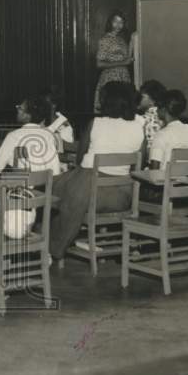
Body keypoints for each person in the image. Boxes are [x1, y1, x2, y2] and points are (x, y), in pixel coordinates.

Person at [50, 81, 145, 260]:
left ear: (107, 101)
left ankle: (47, 242)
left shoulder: (96, 123)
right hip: (121, 197)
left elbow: (80, 159)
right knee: (69, 191)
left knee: (50, 190)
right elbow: (140, 163)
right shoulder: (139, 128)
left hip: (88, 190)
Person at [0, 95, 63, 178]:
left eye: (20, 108)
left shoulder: (14, 136)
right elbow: (55, 169)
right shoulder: (49, 136)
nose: (17, 110)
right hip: (45, 187)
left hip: (21, 189)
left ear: (28, 115)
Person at [149, 90, 188, 170]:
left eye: (158, 107)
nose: (156, 110)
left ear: (163, 110)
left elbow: (154, 168)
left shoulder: (161, 134)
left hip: (164, 181)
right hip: (185, 179)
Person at [93, 10, 134, 113]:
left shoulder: (121, 39)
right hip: (110, 78)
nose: (118, 25)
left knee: (123, 110)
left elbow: (126, 58)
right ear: (110, 23)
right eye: (115, 21)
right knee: (111, 110)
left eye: (121, 22)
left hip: (123, 77)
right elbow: (99, 64)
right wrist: (123, 63)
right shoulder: (105, 39)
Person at [137, 79, 167, 152]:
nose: (138, 99)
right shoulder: (166, 116)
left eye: (142, 96)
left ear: (153, 100)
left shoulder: (141, 119)